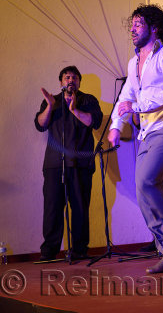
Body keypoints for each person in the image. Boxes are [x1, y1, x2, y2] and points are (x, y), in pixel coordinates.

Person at [108, 4, 163, 273]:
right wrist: (116, 126)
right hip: (148, 134)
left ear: (154, 28)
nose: (132, 28)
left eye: (138, 24)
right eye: (131, 24)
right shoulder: (134, 63)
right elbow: (125, 98)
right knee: (143, 191)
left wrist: (138, 106)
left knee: (146, 181)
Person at [35, 65, 103, 261]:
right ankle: (49, 252)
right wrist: (49, 106)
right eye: (67, 77)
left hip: (81, 164)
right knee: (52, 209)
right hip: (54, 164)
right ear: (61, 82)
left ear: (79, 82)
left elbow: (94, 121)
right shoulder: (51, 101)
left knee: (80, 208)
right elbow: (40, 124)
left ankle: (79, 250)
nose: (70, 80)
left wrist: (74, 110)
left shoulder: (88, 100)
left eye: (74, 77)